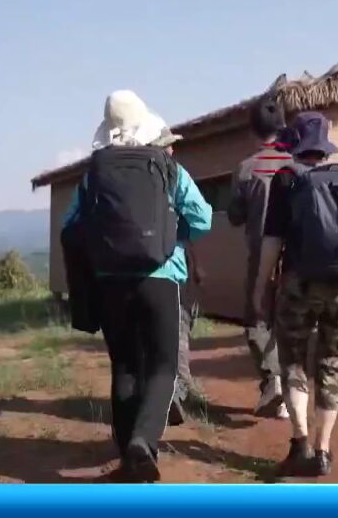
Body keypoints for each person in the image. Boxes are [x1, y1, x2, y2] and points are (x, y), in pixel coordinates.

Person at [62, 90, 212, 482]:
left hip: (111, 282)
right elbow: (203, 218)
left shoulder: (94, 173)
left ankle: (129, 455)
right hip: (160, 279)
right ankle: (142, 444)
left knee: (125, 367)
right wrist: (173, 237)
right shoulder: (167, 168)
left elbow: (70, 226)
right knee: (163, 367)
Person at [256, 111, 338, 478]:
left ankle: (301, 444)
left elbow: (271, 242)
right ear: (325, 147)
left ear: (295, 144)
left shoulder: (285, 180)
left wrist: (262, 286)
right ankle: (324, 451)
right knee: (330, 366)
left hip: (299, 285)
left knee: (293, 361)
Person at [226, 99, 293, 418]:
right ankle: (294, 394)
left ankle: (272, 381)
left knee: (256, 320)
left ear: (252, 130)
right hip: (295, 258)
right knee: (291, 323)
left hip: (260, 254)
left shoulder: (246, 169)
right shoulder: (296, 163)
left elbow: (236, 216)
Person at [154, 131, 208, 426]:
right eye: (170, 143)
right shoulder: (176, 177)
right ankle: (176, 393)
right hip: (174, 270)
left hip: (137, 273)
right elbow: (197, 225)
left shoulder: (139, 180)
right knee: (178, 333)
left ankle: (155, 394)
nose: (174, 147)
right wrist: (197, 267)